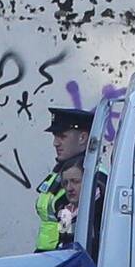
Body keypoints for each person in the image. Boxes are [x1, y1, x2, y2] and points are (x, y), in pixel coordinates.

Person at [33, 107, 94, 252]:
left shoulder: (88, 175)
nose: (55, 143)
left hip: (62, 259)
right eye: (55, 136)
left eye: (62, 136)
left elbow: (70, 228)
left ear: (82, 138)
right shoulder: (61, 170)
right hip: (48, 258)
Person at [55, 159, 83, 248]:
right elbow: (63, 245)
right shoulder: (64, 212)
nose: (69, 188)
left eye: (75, 181)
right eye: (65, 183)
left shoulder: (101, 210)